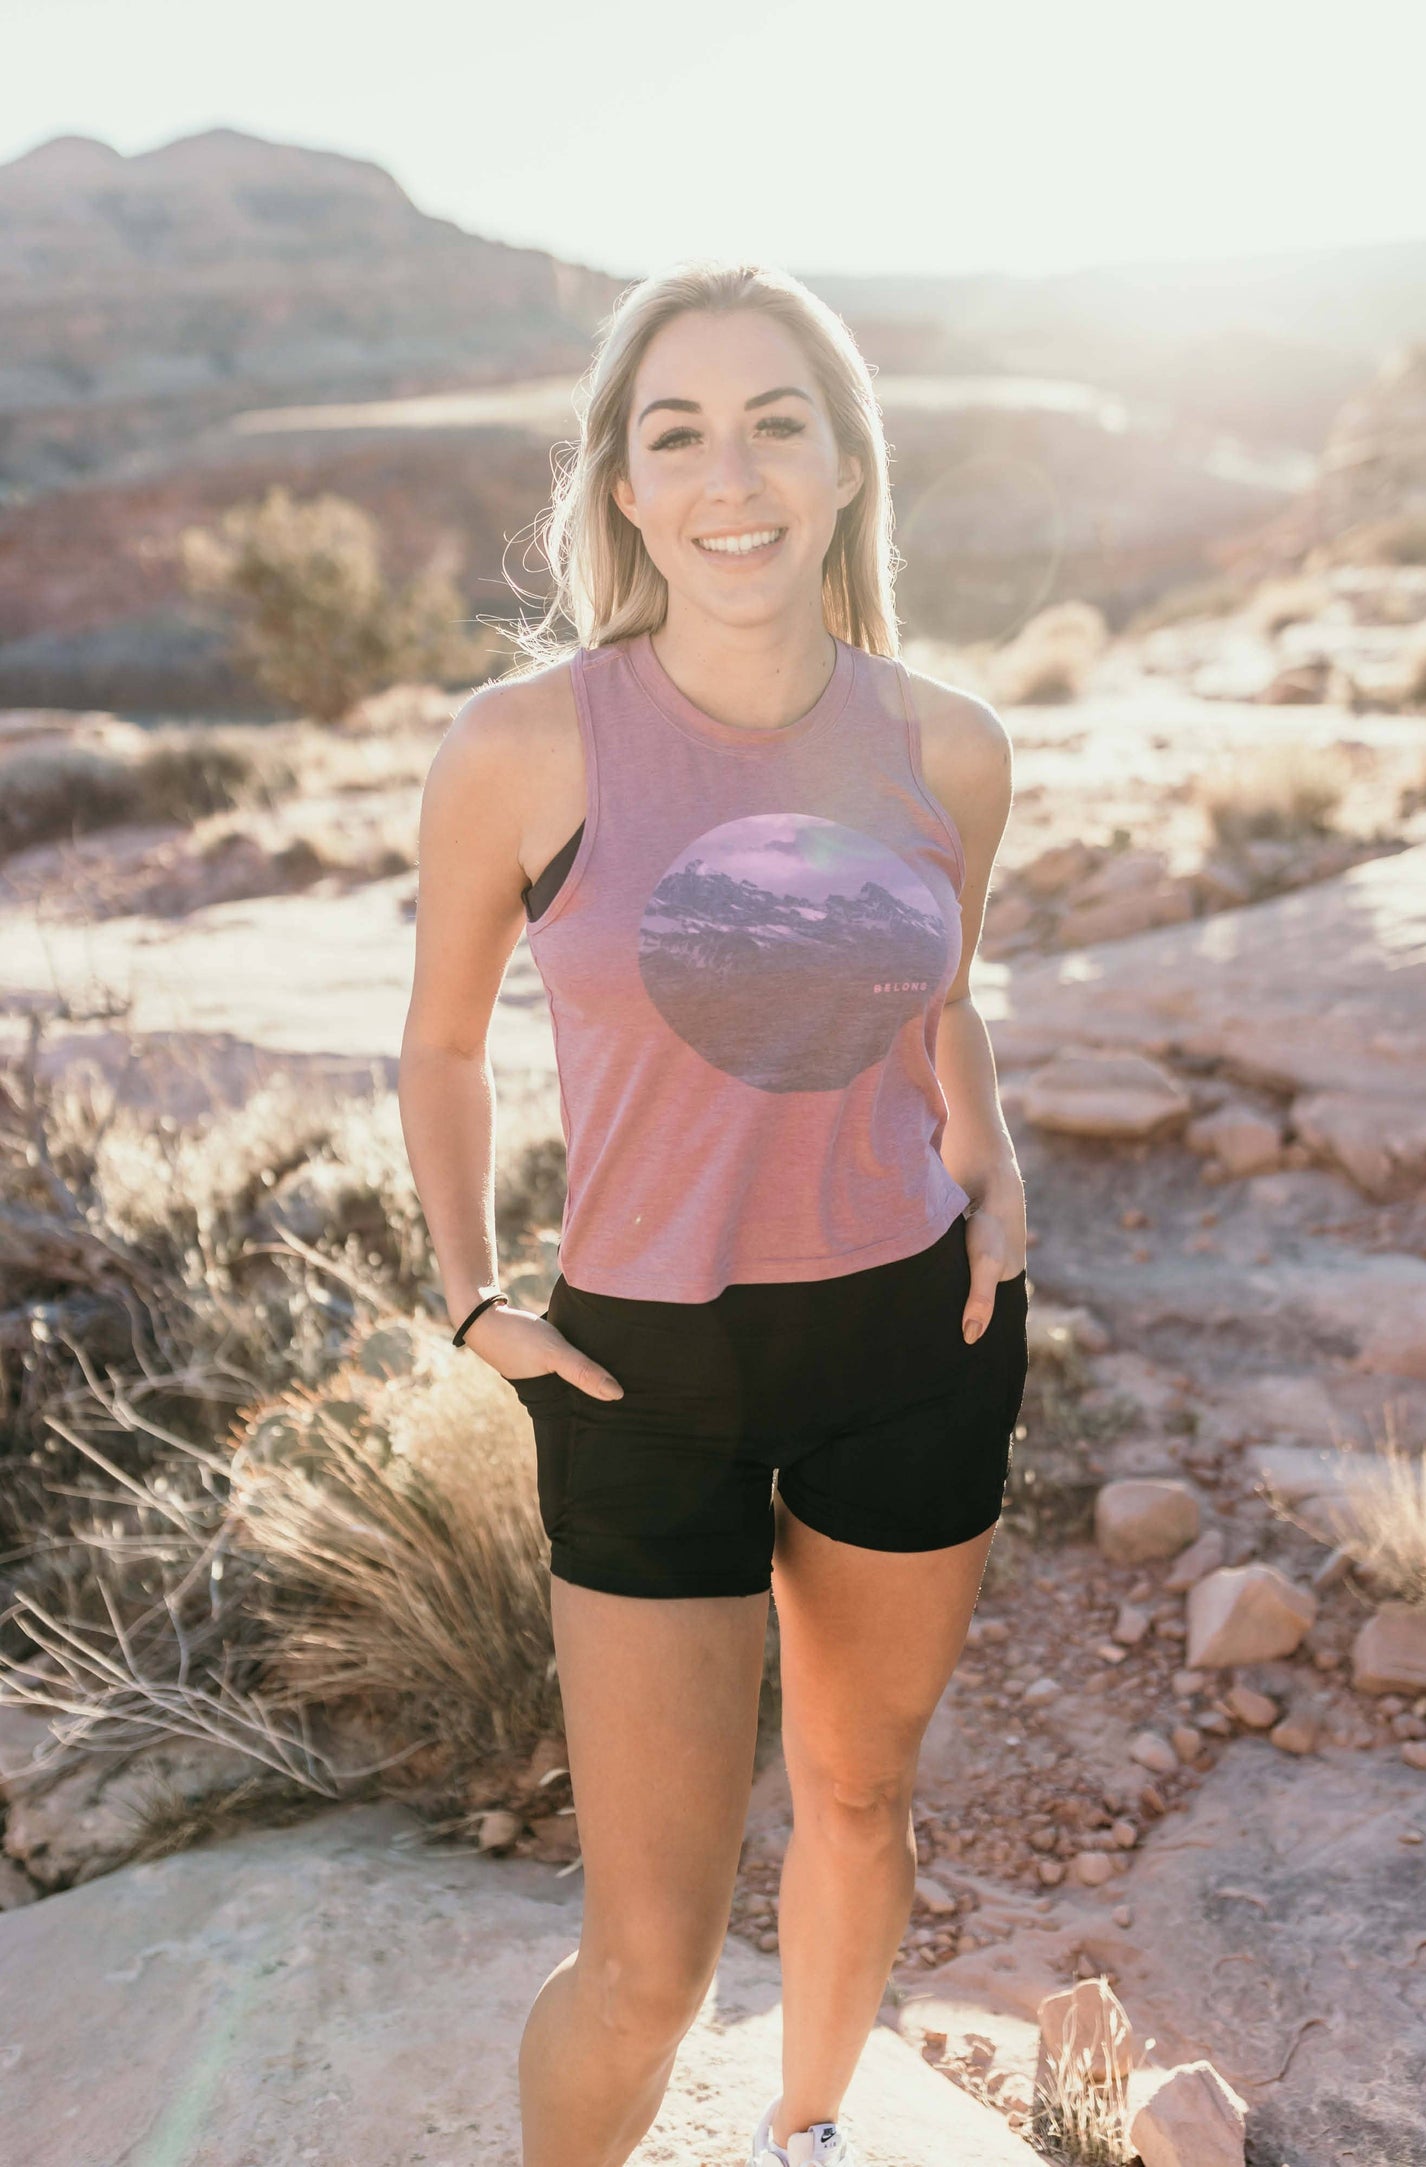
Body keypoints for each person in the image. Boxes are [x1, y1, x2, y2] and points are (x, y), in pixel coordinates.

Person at [398, 260, 1029, 2167]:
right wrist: (468, 1298)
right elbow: (438, 1048)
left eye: (776, 423)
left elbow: (933, 994)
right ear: (621, 487)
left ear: (845, 469)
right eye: (676, 430)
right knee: (647, 1965)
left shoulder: (948, 746)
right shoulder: (521, 746)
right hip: (637, 1374)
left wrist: (989, 1159)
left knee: (853, 1798)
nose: (728, 470)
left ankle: (813, 2131)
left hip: (908, 1343)